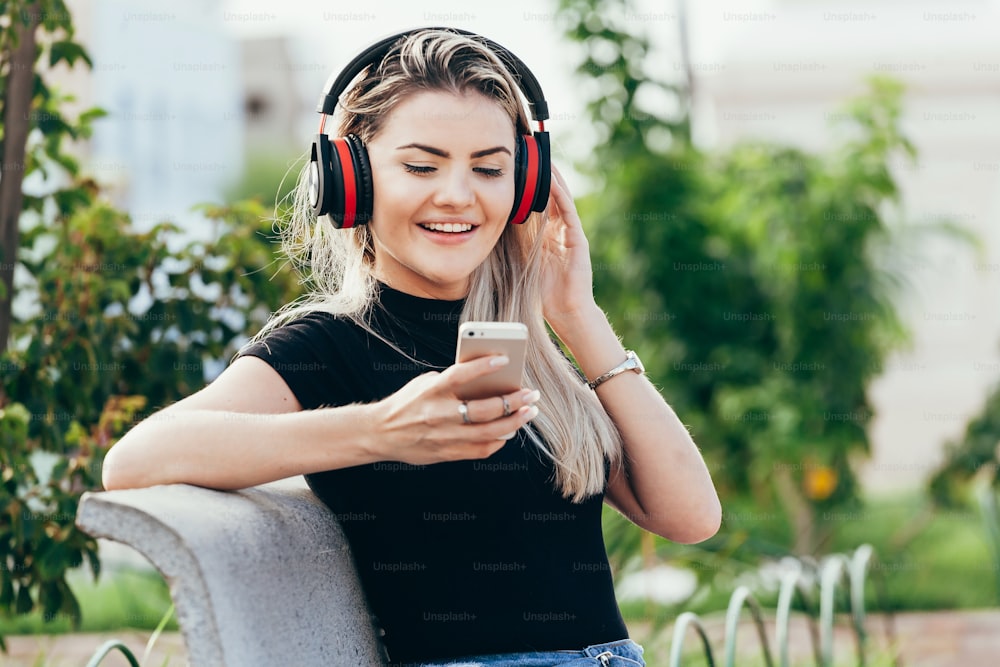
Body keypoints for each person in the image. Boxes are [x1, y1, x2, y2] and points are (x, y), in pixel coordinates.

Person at [102, 27, 721, 667]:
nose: (458, 194)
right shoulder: (326, 345)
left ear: (527, 185)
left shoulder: (525, 349)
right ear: (352, 180)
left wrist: (578, 315)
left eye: (489, 168)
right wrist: (382, 430)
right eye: (421, 166)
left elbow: (691, 515)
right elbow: (134, 461)